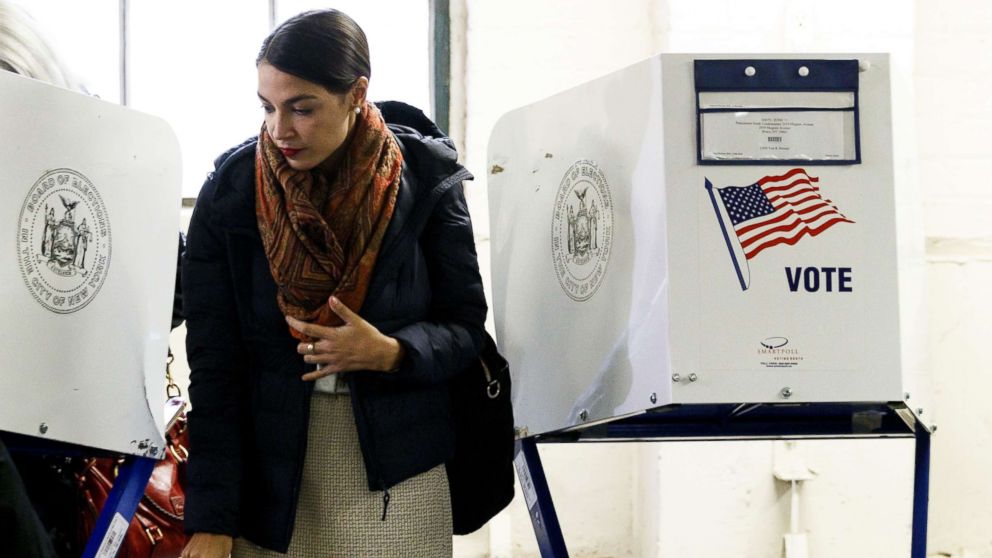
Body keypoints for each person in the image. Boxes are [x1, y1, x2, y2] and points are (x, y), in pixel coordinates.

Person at [180, 9, 486, 558]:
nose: (281, 129)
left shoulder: (427, 179)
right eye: (268, 107)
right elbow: (215, 369)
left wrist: (391, 352)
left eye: (302, 108)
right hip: (271, 483)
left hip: (401, 471)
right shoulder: (230, 195)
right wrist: (212, 518)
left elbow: (465, 328)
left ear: (356, 93)